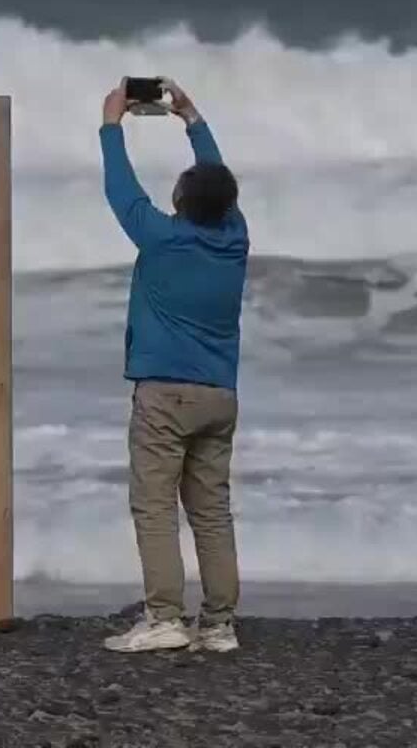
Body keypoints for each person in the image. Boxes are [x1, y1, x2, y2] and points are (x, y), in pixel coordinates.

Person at [96, 77, 249, 655]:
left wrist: (112, 125)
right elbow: (218, 183)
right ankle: (219, 624)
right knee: (211, 509)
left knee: (155, 504)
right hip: (219, 394)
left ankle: (164, 616)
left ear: (181, 204)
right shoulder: (235, 238)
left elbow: (122, 190)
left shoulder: (161, 237)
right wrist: (191, 116)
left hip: (165, 395)